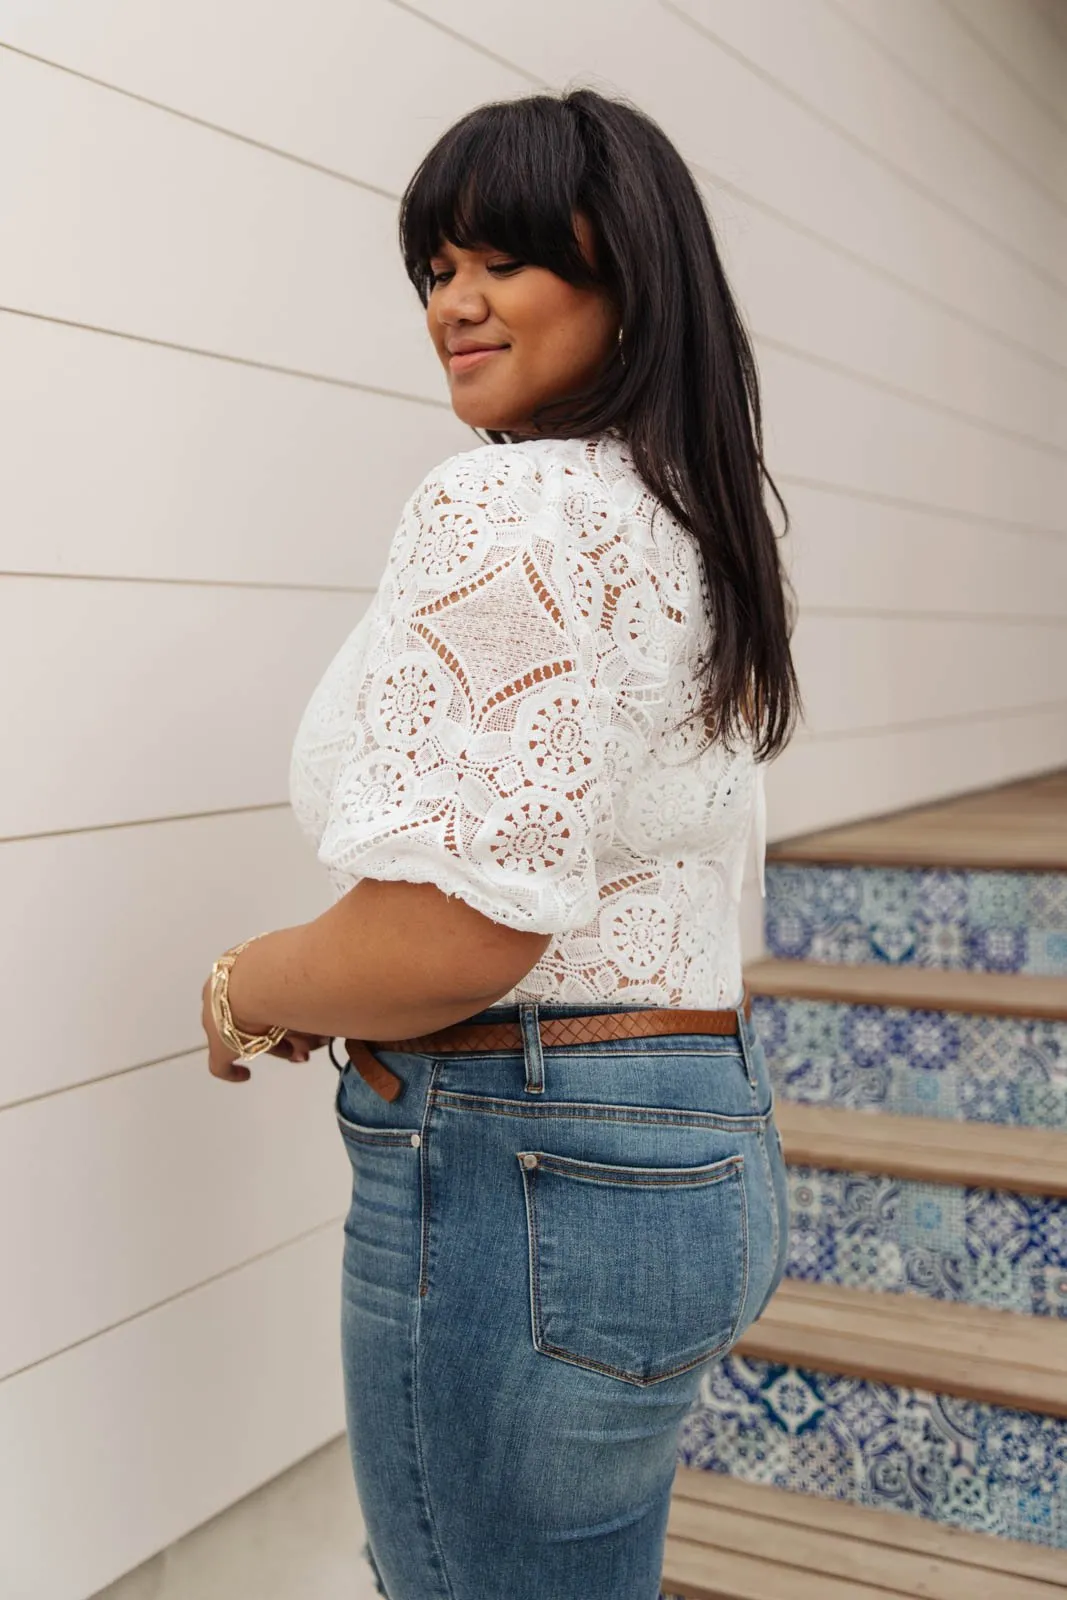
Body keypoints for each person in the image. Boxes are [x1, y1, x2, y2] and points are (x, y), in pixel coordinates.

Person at [201, 86, 798, 1600]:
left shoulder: (511, 504)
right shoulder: (687, 520)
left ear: (628, 275)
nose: (454, 306)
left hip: (523, 1163)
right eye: (434, 268)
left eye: (505, 261)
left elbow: (452, 935)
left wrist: (245, 980)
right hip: (688, 1134)